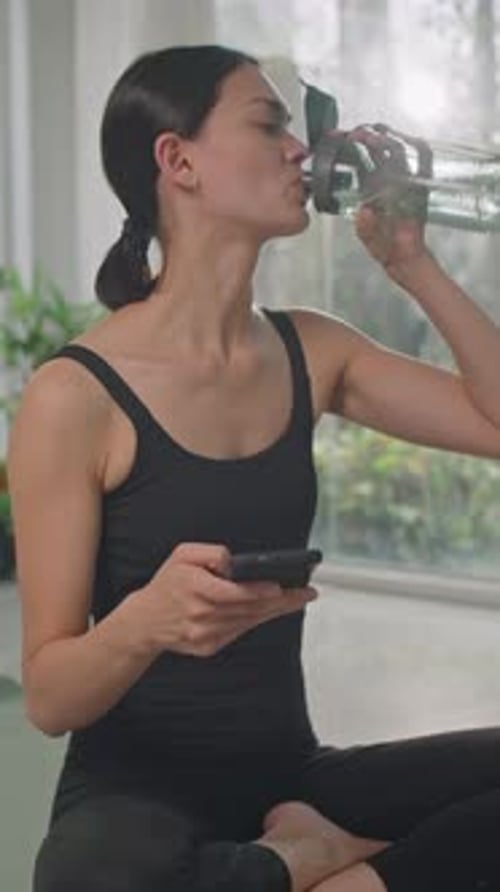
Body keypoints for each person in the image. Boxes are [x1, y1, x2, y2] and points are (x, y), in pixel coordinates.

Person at [8, 44, 500, 892]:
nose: (300, 149)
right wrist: (145, 621)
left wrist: (411, 264)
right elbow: (51, 699)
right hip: (136, 800)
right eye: (268, 124)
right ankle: (299, 863)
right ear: (179, 162)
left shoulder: (313, 350)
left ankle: (312, 872)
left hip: (291, 780)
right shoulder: (74, 396)